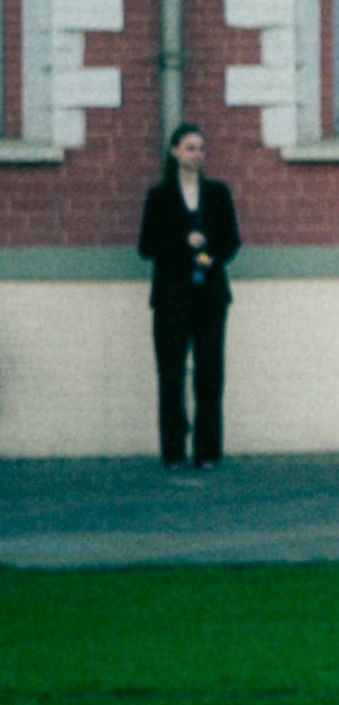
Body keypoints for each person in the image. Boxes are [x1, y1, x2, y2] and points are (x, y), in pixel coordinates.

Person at [137, 123, 241, 470]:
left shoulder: (217, 193)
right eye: (190, 148)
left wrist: (209, 254)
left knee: (210, 372)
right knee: (171, 373)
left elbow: (231, 240)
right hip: (171, 297)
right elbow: (147, 245)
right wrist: (184, 243)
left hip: (210, 295)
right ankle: (173, 451)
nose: (197, 154)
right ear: (175, 152)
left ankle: (208, 451)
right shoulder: (160, 196)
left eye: (201, 148)